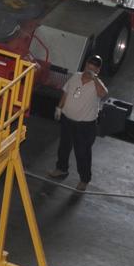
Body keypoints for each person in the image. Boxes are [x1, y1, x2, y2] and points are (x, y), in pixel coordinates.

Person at [48, 53, 109, 191]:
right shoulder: (75, 76)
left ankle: (84, 179)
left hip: (85, 125)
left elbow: (103, 94)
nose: (89, 70)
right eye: (88, 67)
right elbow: (66, 93)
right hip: (67, 120)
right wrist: (59, 107)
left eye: (93, 69)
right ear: (85, 65)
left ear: (97, 70)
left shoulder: (97, 85)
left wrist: (94, 78)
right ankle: (61, 169)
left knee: (82, 152)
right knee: (64, 146)